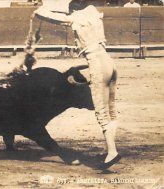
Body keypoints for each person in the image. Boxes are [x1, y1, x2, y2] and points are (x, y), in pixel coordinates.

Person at [32, 0, 121, 169]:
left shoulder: (76, 18)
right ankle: (108, 148)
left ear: (74, 9)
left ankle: (112, 152)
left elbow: (49, 16)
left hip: (96, 64)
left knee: (102, 113)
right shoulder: (93, 13)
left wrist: (40, 8)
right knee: (111, 110)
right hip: (110, 63)